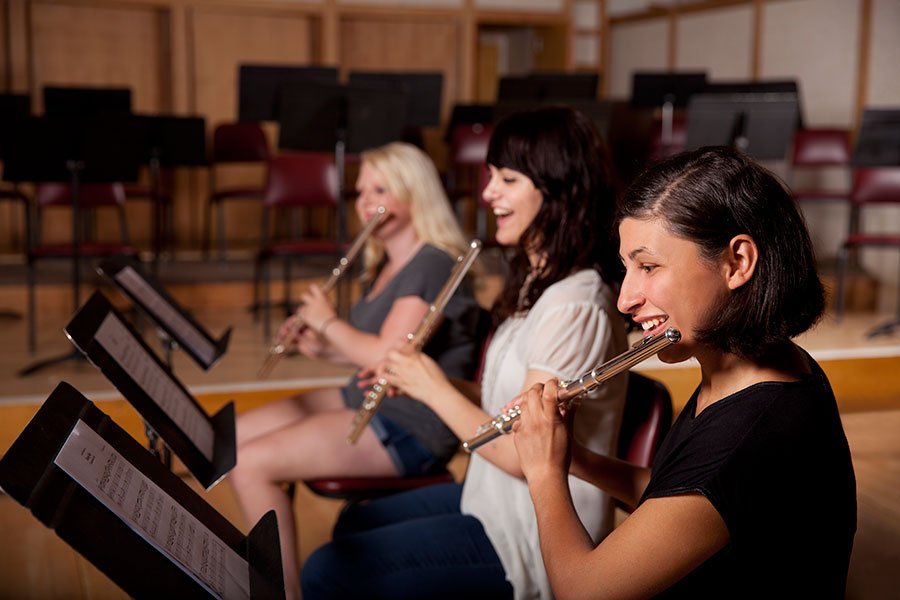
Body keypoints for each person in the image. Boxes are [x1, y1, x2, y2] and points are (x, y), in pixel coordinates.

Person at [301, 106, 629, 599]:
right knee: (355, 523)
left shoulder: (575, 304)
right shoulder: (539, 286)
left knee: (330, 569)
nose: (488, 192)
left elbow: (526, 452)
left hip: (530, 534)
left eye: (508, 179)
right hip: (490, 500)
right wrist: (431, 380)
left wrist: (433, 391)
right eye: (491, 176)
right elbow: (508, 401)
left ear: (558, 191)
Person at [512, 146, 857, 598]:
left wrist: (544, 473)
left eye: (649, 266)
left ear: (737, 262)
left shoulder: (750, 434)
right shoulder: (748, 371)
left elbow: (582, 591)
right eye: (626, 268)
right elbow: (676, 499)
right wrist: (572, 455)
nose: (625, 299)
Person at [229, 141, 485, 600]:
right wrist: (319, 346)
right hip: (367, 398)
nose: (366, 201)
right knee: (234, 438)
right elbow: (369, 353)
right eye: (361, 190)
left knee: (250, 463)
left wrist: (328, 320)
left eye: (381, 188)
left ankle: (281, 593)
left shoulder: (433, 261)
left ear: (414, 192)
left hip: (411, 425)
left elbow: (391, 355)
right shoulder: (387, 263)